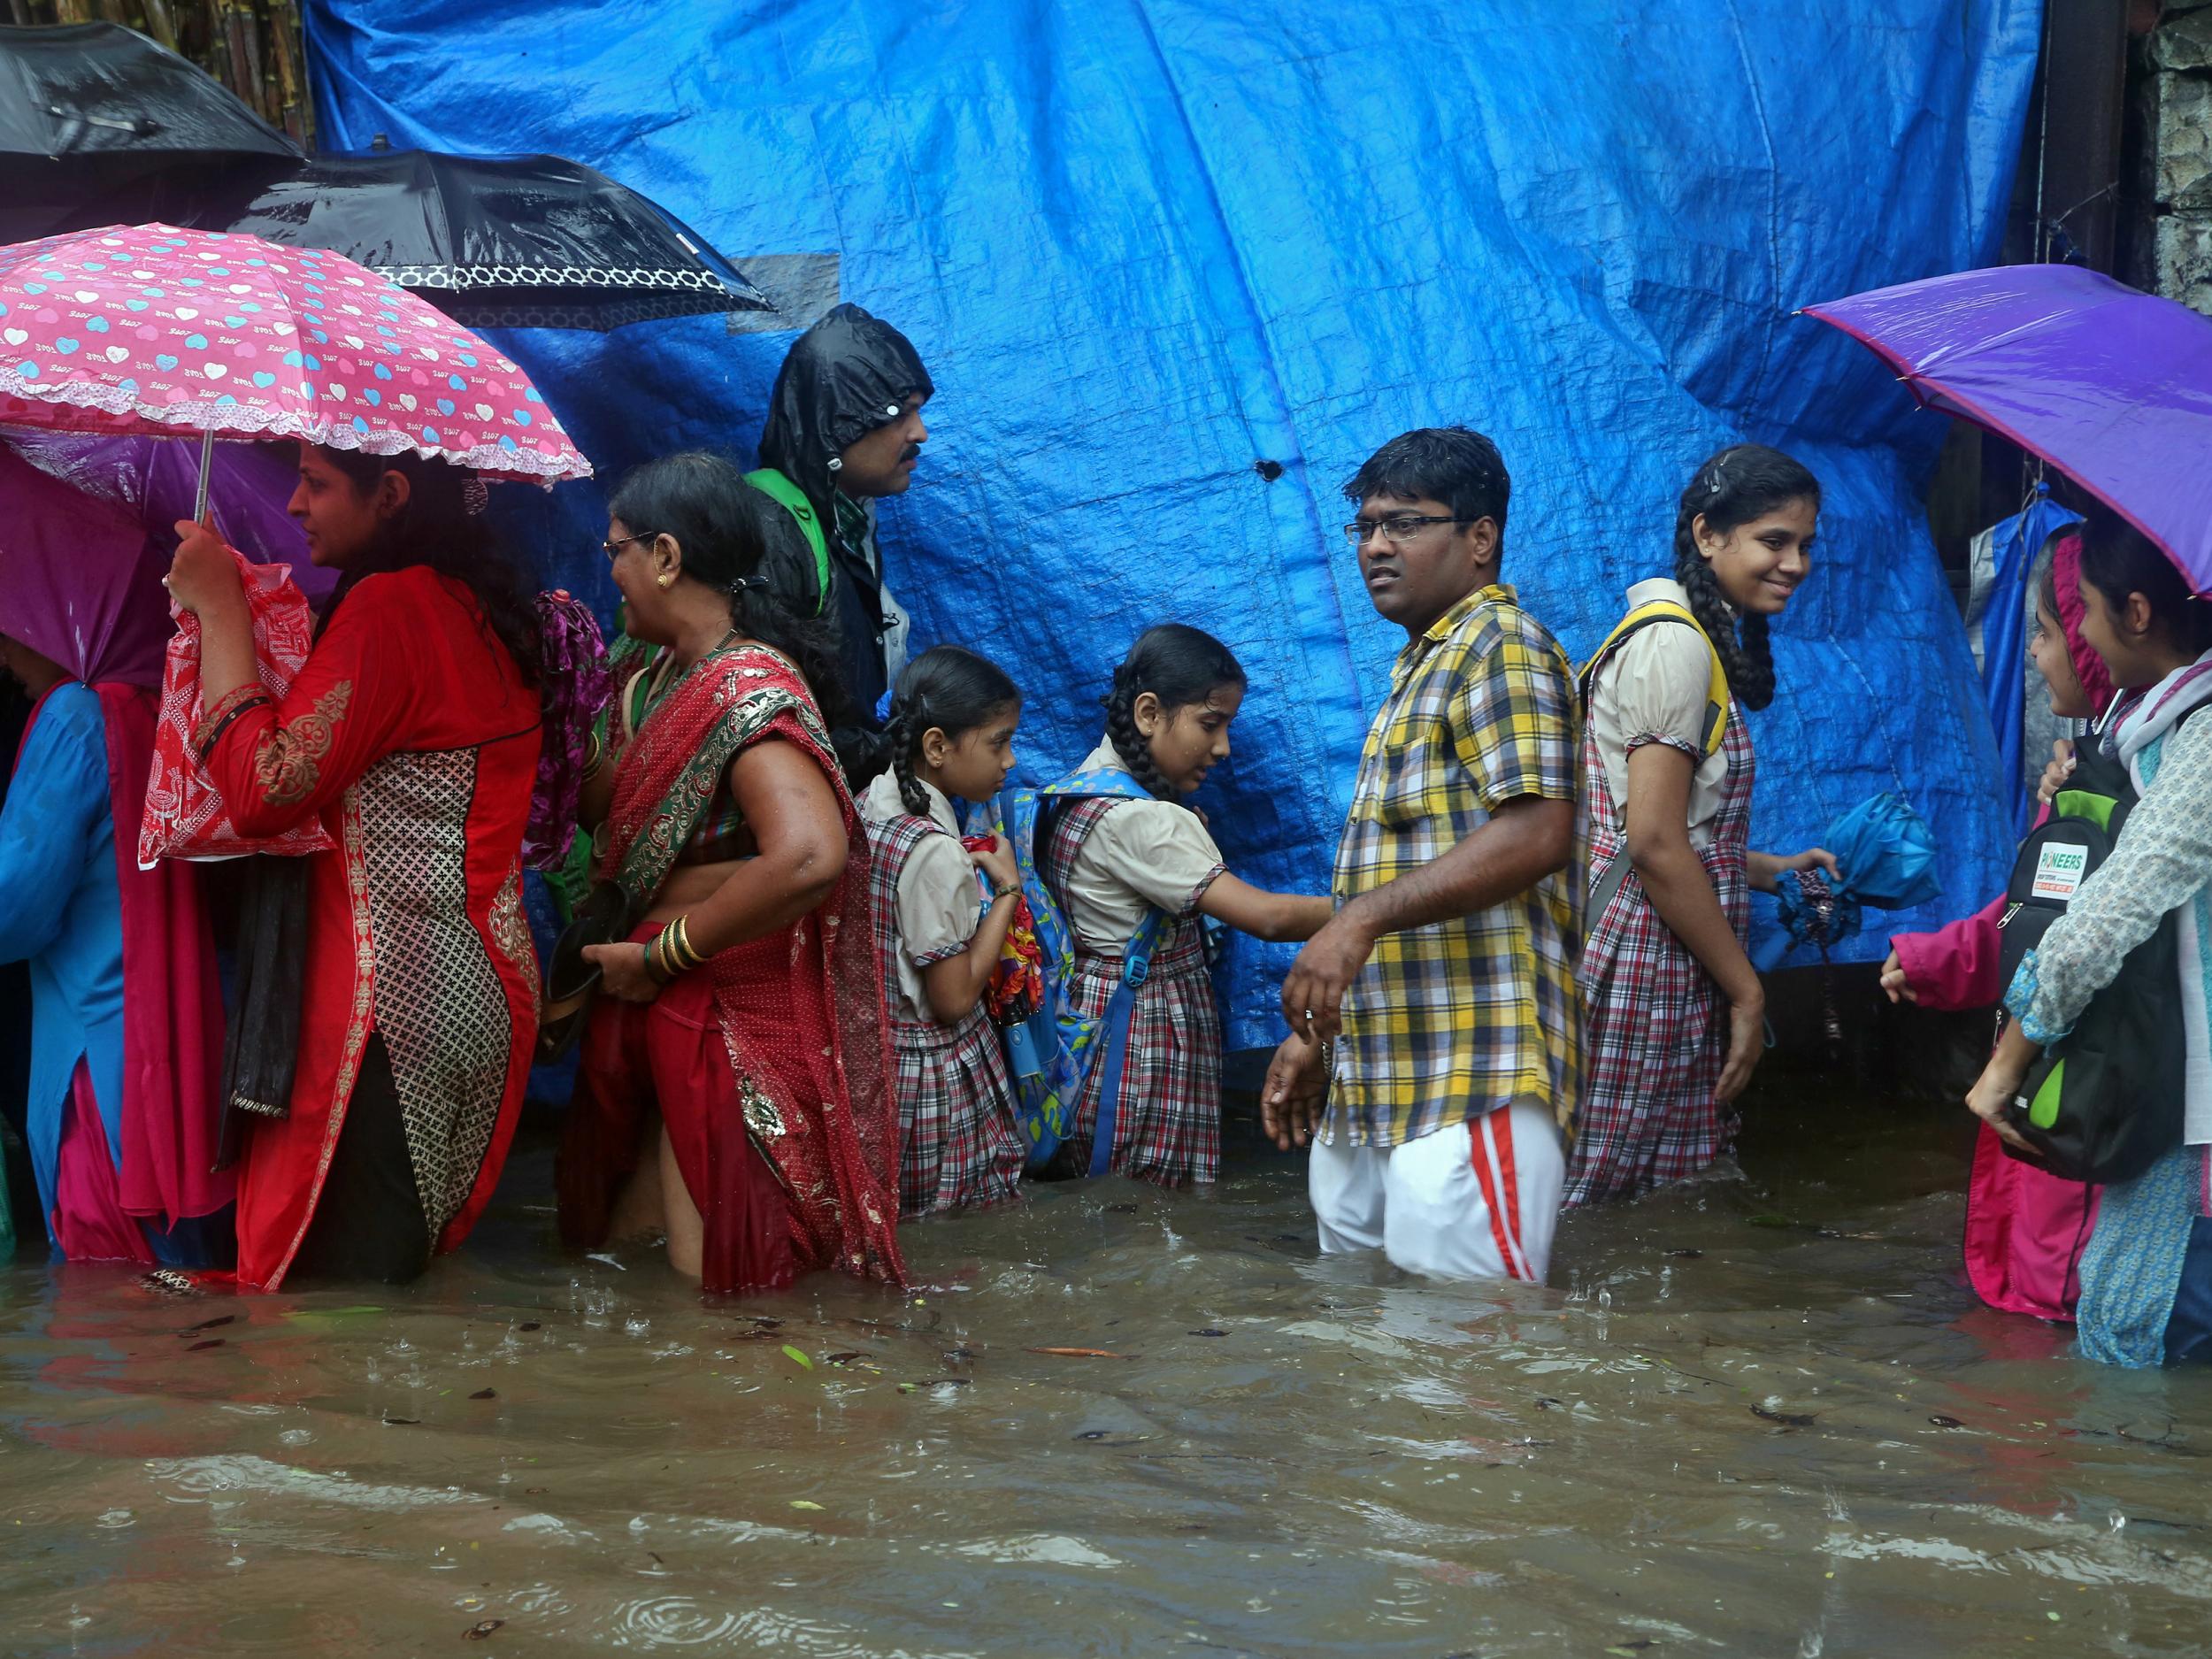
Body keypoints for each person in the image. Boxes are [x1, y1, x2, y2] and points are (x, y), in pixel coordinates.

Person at [165, 443, 543, 1289]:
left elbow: (268, 789)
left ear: (392, 494)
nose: (295, 504)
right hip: (476, 994)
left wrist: (223, 611)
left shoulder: (393, 608)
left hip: (392, 1011)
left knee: (337, 1330)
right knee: (391, 1306)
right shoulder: (466, 603)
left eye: (318, 482)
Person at [557, 451, 904, 1294]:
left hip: (716, 1002)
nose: (611, 572)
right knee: (632, 1265)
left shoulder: (748, 687)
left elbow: (810, 854)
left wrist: (664, 955)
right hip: (646, 990)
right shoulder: (652, 678)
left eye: (617, 551)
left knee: (713, 1289)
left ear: (667, 557)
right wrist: (577, 693)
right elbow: (607, 814)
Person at [1261, 428, 1579, 1282]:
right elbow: (1398, 871)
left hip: (1473, 1069)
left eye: (1403, 523)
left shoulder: (1500, 646)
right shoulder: (1420, 667)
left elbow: (1540, 829)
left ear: (1480, 538)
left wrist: (1357, 920)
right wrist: (1321, 1037)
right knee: (1370, 1357)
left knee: (1472, 1368)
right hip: (1380, 1072)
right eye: (1364, 527)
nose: (1374, 546)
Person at [1968, 515, 2212, 1368]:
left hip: (2195, 1127)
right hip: (2174, 1105)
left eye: (2072, 618)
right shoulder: (2148, 739)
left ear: (2135, 614)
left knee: (2137, 1342)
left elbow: (2107, 915)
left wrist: (2008, 1062)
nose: (2052, 646)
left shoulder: (2202, 739)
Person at [1563, 443, 1835, 1208]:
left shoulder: (1684, 640)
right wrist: (1748, 992)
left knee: (1647, 1178)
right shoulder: (1674, 644)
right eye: (1774, 541)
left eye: (1806, 545)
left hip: (1669, 943)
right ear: (1708, 534)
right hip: (1646, 951)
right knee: (1604, 1185)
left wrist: (1769, 866)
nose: (1796, 563)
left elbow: (1670, 825)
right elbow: (1650, 843)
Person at [0, 450, 230, 1264]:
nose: (5, 646)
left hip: (92, 1075)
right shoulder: (160, 706)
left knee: (99, 1333)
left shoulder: (72, 717)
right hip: (173, 1050)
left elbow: (13, 909)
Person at [1881, 534, 2112, 1321]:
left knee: (2057, 1295)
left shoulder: (2142, 779)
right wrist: (1936, 959)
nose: (2037, 658)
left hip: (2078, 1085)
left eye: (2045, 632)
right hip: (2049, 1081)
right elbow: (2033, 912)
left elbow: (2074, 933)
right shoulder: (2088, 769)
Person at [1039, 625, 1333, 1187]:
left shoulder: (1073, 792)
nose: (1223, 747)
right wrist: (1371, 907)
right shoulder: (1147, 820)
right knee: (1149, 1207)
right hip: (1142, 1038)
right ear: (1149, 713)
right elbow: (1268, 917)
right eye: (1210, 723)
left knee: (1112, 1203)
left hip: (1090, 1025)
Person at [857, 646, 1029, 1217]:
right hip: (933, 1073)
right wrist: (1006, 890)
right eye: (998, 742)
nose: (1009, 761)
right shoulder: (936, 852)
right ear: (937, 746)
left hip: (875, 1057)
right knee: (957, 1226)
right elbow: (952, 998)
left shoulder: (868, 805)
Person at [752, 303, 933, 720]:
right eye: (901, 414)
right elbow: (774, 716)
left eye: (919, 411)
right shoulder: (772, 534)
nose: (920, 433)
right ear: (838, 423)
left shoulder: (849, 521)